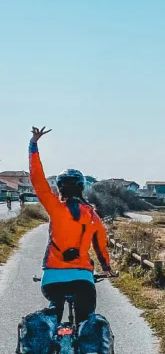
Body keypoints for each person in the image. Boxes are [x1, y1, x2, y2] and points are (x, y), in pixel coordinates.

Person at [29, 125, 114, 332]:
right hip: (82, 278)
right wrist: (106, 268)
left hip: (52, 277)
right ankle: (82, 342)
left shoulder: (55, 208)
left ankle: (51, 330)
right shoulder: (92, 216)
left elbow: (38, 180)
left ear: (60, 188)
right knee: (86, 324)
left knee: (53, 312)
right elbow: (101, 245)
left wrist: (33, 145)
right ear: (82, 188)